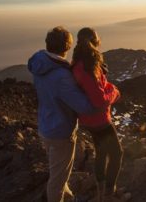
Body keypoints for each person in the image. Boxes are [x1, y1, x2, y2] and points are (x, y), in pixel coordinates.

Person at [28, 26, 105, 202]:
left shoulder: (40, 64)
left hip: (46, 126)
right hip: (61, 132)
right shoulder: (61, 75)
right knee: (57, 180)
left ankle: (69, 198)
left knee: (59, 171)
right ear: (67, 46)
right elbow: (85, 106)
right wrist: (102, 99)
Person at [71, 27, 123, 202]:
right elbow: (99, 100)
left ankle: (101, 193)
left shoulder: (77, 63)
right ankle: (109, 194)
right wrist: (114, 92)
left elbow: (93, 90)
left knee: (101, 152)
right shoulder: (88, 66)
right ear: (95, 42)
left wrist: (104, 80)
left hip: (87, 119)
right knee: (116, 153)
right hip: (99, 119)